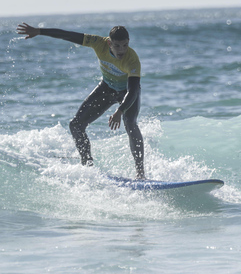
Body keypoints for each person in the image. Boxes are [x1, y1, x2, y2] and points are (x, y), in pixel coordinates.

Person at [16, 22, 146, 179]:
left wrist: (119, 111)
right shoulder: (99, 43)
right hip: (107, 88)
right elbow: (68, 35)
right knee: (76, 125)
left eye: (125, 45)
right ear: (109, 43)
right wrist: (39, 31)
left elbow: (132, 91)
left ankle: (140, 173)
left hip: (126, 91)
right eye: (117, 46)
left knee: (130, 123)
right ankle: (88, 166)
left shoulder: (132, 60)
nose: (122, 50)